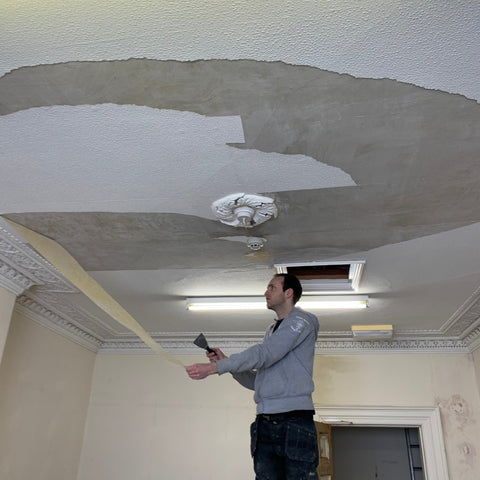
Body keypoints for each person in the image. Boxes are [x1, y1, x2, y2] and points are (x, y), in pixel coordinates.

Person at [186, 273, 320, 479]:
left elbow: (265, 353)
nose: (265, 292)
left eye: (271, 287)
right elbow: (257, 382)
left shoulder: (302, 321)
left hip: (293, 421)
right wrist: (228, 364)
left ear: (288, 293)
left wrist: (215, 368)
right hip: (264, 422)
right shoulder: (271, 330)